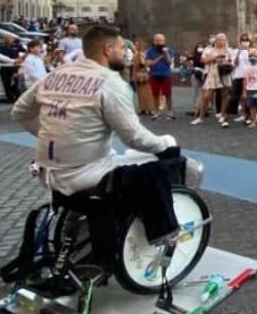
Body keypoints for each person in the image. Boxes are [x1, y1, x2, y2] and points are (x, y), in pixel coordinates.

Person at [11, 25, 182, 245]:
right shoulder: (110, 82)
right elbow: (133, 136)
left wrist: (52, 132)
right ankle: (162, 232)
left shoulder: (56, 74)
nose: (125, 53)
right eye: (122, 48)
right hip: (83, 172)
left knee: (126, 156)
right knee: (161, 154)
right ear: (107, 50)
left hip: (47, 171)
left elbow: (20, 111)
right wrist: (164, 144)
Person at [192, 34, 234, 126]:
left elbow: (232, 62)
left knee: (225, 95)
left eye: (223, 39)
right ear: (216, 40)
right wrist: (215, 57)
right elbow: (203, 60)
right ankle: (200, 117)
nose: (221, 41)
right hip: (213, 72)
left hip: (224, 73)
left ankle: (222, 115)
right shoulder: (210, 50)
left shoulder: (229, 50)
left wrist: (226, 62)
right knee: (207, 96)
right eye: (219, 39)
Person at [146, 34, 176, 121]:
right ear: (154, 41)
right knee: (155, 94)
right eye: (157, 40)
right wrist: (160, 57)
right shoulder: (150, 51)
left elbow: (169, 62)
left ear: (164, 41)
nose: (159, 42)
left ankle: (170, 112)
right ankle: (156, 112)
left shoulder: (169, 50)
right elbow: (148, 63)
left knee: (168, 94)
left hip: (166, 75)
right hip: (154, 75)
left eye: (161, 40)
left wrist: (165, 53)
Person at [131, 41, 156, 116]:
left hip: (143, 74)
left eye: (137, 45)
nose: (135, 46)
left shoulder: (141, 54)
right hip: (138, 74)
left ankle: (150, 109)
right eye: (135, 45)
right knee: (140, 92)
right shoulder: (136, 54)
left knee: (147, 92)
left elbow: (142, 64)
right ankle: (143, 108)